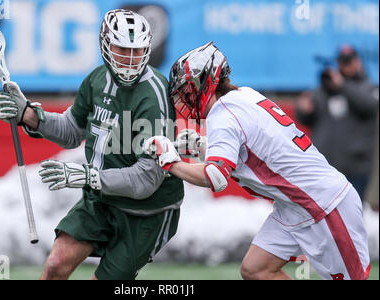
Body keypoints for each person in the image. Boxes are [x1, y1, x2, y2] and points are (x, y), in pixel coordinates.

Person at [144, 42, 371, 280]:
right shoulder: (244, 95)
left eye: (188, 91)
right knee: (256, 270)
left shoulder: (223, 115)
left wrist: (171, 162)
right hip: (294, 205)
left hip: (324, 203)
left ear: (206, 83)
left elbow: (216, 177)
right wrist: (203, 145)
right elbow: (254, 148)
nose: (185, 99)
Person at [0, 9, 184, 280]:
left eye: (137, 51)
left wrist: (89, 176)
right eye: (122, 49)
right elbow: (72, 130)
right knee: (55, 266)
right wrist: (30, 116)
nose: (130, 60)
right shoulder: (97, 79)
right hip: (102, 200)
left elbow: (147, 179)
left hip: (146, 212)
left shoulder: (153, 96)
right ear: (106, 45)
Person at [295, 45, 379, 201]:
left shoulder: (367, 87)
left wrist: (343, 86)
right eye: (343, 62)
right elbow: (306, 117)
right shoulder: (326, 89)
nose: (346, 66)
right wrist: (304, 109)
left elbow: (370, 106)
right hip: (327, 166)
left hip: (356, 166)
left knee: (352, 214)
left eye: (350, 61)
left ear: (358, 61)